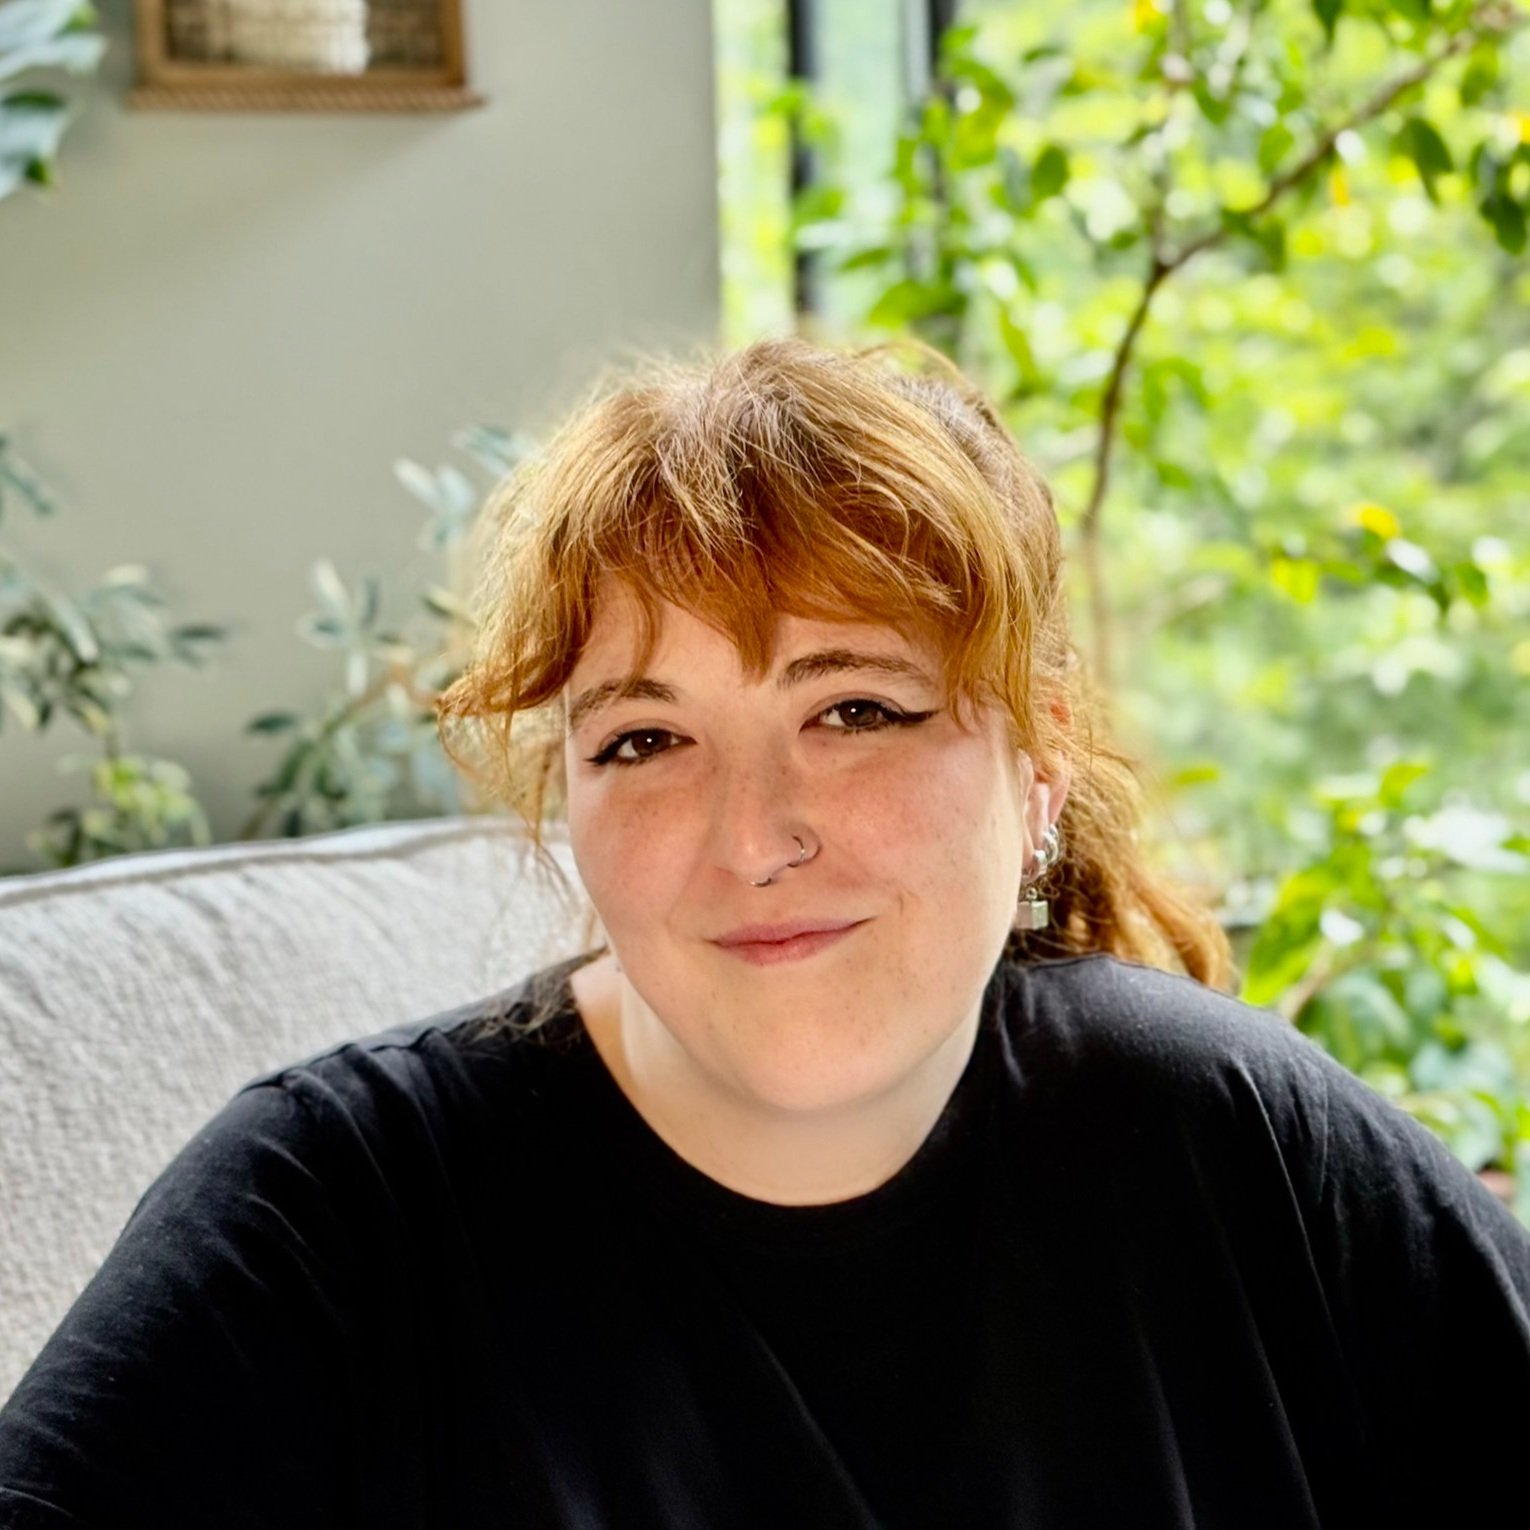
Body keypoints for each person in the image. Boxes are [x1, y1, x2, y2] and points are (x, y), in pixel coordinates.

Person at [1, 338, 1526, 1529]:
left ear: (1038, 757)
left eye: (853, 709)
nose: (752, 835)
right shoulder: (330, 1220)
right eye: (645, 739)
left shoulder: (1230, 1142)